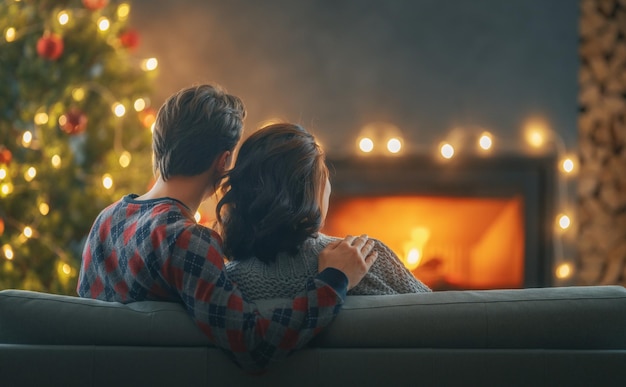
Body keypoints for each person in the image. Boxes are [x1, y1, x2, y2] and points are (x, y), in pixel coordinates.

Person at [76, 84, 378, 372]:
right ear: (224, 161)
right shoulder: (185, 240)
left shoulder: (106, 219)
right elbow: (255, 345)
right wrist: (334, 279)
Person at [217, 123, 430, 301]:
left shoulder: (227, 283)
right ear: (314, 189)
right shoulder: (366, 258)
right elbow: (444, 317)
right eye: (324, 174)